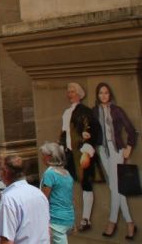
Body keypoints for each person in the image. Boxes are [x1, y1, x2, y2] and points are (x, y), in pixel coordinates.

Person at [94, 82, 137, 239]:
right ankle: (130, 223)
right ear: (97, 95)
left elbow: (131, 130)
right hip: (102, 151)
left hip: (116, 150)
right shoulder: (94, 111)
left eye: (106, 92)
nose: (103, 95)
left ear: (110, 94)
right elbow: (91, 130)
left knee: (115, 186)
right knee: (115, 187)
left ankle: (112, 222)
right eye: (101, 93)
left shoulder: (117, 110)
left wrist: (129, 147)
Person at [59, 81, 100, 232]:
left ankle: (86, 218)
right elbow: (64, 133)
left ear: (79, 94)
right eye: (68, 91)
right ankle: (69, 218)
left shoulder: (85, 111)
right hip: (69, 153)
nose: (69, 94)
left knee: (85, 184)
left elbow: (91, 129)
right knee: (67, 184)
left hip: (81, 153)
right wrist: (61, 148)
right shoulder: (66, 112)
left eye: (72, 91)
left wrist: (87, 150)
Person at [0, 155, 50, 244]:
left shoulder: (9, 199)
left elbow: (7, 240)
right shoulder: (39, 194)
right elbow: (47, 231)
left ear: (5, 172)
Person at [39, 142, 74, 244]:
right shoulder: (66, 173)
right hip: (68, 218)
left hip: (56, 220)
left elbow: (44, 198)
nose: (42, 158)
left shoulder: (50, 173)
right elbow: (71, 198)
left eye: (43, 155)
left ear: (49, 157)